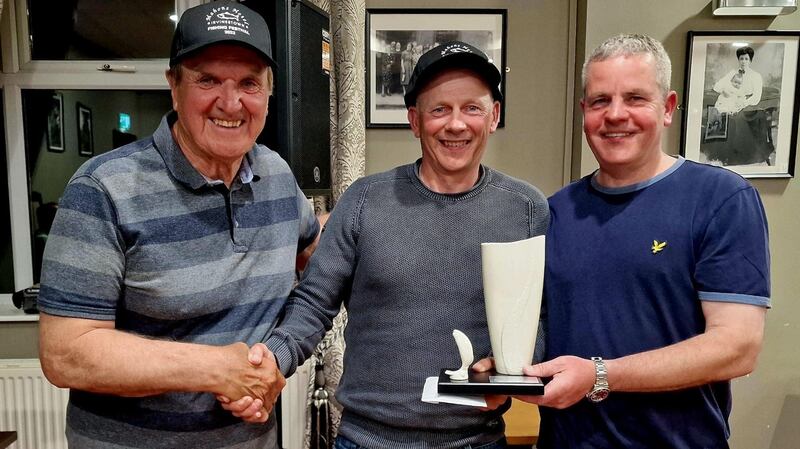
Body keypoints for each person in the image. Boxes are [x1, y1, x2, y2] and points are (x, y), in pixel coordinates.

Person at [228, 41, 549, 449]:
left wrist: (510, 370)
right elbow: (313, 303)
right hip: (367, 440)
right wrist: (273, 358)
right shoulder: (365, 200)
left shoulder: (525, 208)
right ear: (415, 121)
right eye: (439, 110)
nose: (456, 124)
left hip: (477, 440)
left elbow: (543, 315)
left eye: (472, 108)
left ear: (493, 116)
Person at [37, 2, 320, 448]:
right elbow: (67, 353)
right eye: (207, 80)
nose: (231, 102)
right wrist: (216, 369)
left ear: (269, 91)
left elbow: (316, 269)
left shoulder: (278, 178)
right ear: (174, 86)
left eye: (249, 83)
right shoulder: (102, 189)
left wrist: (278, 355)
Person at [499, 34, 770, 448]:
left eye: (636, 98)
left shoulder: (720, 199)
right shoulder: (553, 212)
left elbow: (737, 347)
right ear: (584, 111)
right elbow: (536, 328)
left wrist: (600, 375)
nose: (615, 114)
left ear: (668, 108)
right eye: (600, 101)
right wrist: (496, 369)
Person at [704, 45, 773, 165]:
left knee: (739, 119)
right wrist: (724, 91)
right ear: (738, 60)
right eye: (741, 58)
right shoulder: (732, 73)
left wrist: (742, 104)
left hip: (749, 105)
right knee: (721, 114)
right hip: (731, 101)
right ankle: (723, 153)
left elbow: (756, 98)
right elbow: (717, 86)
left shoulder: (756, 76)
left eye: (746, 59)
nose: (743, 62)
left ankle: (740, 156)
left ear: (750, 60)